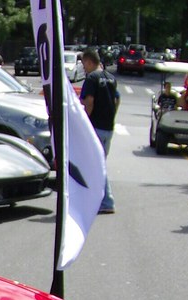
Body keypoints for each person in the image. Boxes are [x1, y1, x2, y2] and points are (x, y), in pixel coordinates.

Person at [79, 48, 120, 215]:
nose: (83, 68)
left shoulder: (91, 78)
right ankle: (97, 198)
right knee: (98, 163)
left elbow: (88, 102)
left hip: (95, 126)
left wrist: (84, 123)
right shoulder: (111, 78)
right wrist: (111, 115)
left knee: (96, 164)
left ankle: (106, 200)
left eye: (84, 64)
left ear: (89, 62)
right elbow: (117, 100)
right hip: (108, 126)